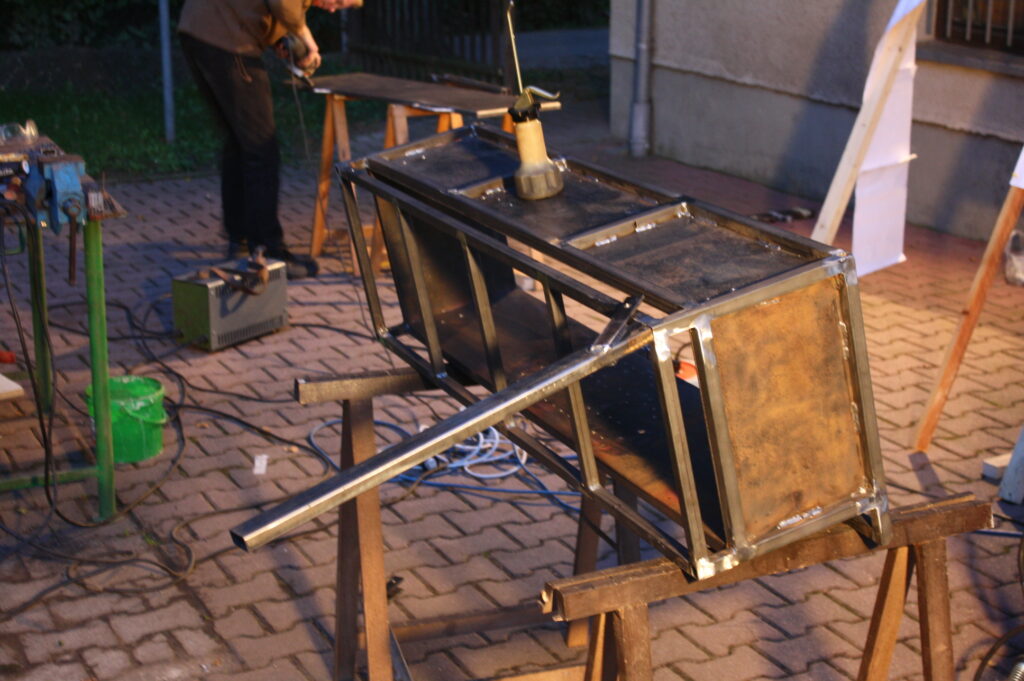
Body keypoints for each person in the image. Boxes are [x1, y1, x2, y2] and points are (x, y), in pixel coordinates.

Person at [178, 0, 361, 279]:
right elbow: (283, 4)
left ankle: (240, 237)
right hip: (228, 39)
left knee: (239, 143)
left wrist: (280, 39)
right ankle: (269, 251)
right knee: (261, 149)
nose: (334, 9)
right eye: (338, 1)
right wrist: (304, 37)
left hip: (200, 30)